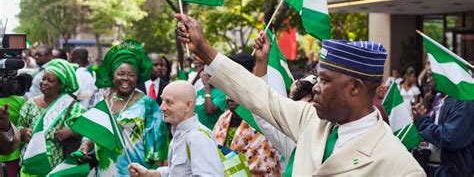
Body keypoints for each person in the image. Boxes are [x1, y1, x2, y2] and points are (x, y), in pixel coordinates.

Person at [175, 14, 425, 176]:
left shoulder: (400, 167)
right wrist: (205, 50)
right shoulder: (311, 121)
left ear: (355, 88)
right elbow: (260, 96)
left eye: (325, 81)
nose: (315, 86)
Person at [79, 39, 168, 177]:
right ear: (112, 75)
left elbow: (159, 147)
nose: (125, 78)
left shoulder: (148, 105)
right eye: (120, 74)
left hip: (136, 171)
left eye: (131, 75)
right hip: (105, 170)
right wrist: (85, 146)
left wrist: (154, 173)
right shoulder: (103, 101)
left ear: (137, 77)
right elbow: (94, 133)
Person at [128, 81, 224, 177]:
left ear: (188, 105)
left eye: (169, 102)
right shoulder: (179, 134)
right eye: (162, 101)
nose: (162, 107)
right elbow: (177, 171)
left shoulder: (197, 137)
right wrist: (150, 174)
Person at [17, 59, 86, 176]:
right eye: (43, 78)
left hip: (58, 170)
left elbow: (88, 129)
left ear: (60, 85)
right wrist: (23, 132)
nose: (44, 82)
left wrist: (71, 132)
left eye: (50, 80)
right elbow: (17, 129)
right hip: (31, 167)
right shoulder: (30, 104)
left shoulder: (71, 106)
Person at [413, 81, 474, 176]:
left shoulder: (463, 103)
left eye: (431, 75)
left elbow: (450, 138)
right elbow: (438, 133)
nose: (428, 80)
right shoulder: (442, 100)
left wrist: (423, 122)